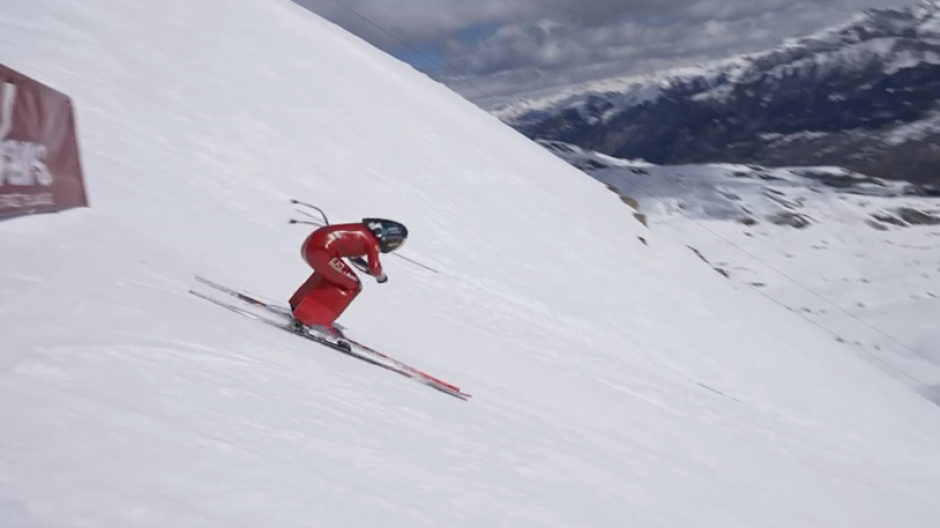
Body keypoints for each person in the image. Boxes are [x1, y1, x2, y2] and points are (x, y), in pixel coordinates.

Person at [288, 218, 408, 340]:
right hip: (322, 252)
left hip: (312, 247)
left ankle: (298, 304)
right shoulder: (372, 242)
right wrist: (381, 277)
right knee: (352, 285)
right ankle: (312, 319)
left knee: (331, 275)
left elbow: (354, 258)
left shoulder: (362, 230)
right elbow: (375, 267)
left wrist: (369, 270)